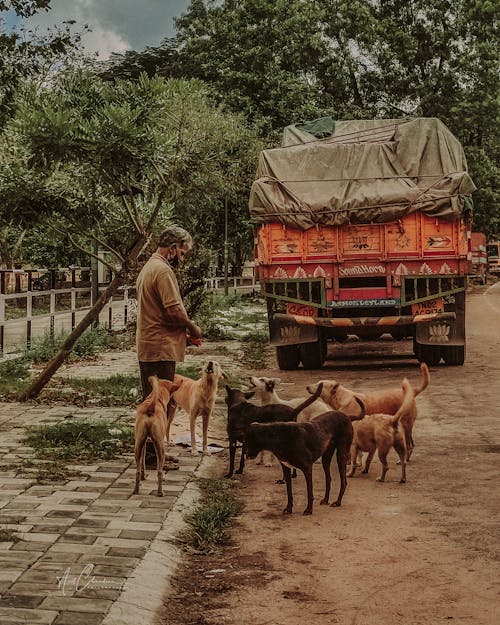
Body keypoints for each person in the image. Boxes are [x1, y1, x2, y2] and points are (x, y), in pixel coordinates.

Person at [135, 224, 202, 400]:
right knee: (160, 405)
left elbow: (157, 313)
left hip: (149, 346)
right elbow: (174, 311)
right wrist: (192, 327)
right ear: (173, 248)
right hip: (161, 351)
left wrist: (182, 339)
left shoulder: (149, 267)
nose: (182, 259)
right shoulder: (163, 270)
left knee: (150, 403)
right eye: (182, 253)